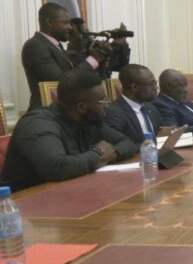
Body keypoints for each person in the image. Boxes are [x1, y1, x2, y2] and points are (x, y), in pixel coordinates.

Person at [0, 70, 136, 191]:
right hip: (23, 203)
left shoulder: (90, 119)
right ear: (82, 107)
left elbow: (127, 142)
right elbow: (57, 168)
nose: (107, 106)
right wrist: (98, 154)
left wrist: (113, 153)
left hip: (71, 193)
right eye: (102, 101)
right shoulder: (38, 124)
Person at [22, 3, 106, 110]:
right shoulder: (35, 45)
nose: (70, 27)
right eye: (65, 23)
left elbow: (75, 72)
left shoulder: (57, 46)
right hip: (46, 112)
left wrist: (98, 59)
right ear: (49, 22)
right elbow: (62, 81)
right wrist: (93, 59)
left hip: (64, 111)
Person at [104, 64, 163, 145]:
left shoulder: (151, 108)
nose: (156, 88)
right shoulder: (114, 113)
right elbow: (119, 145)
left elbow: (159, 135)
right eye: (151, 84)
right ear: (134, 87)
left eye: (155, 83)